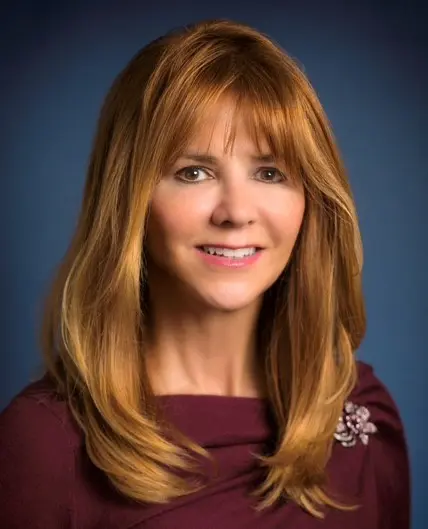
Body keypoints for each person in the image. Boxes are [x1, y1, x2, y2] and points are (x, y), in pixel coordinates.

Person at [0, 19, 410, 528]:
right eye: (193, 172)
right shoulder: (44, 443)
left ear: (310, 201)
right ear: (130, 200)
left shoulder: (362, 416)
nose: (236, 212)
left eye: (270, 172)